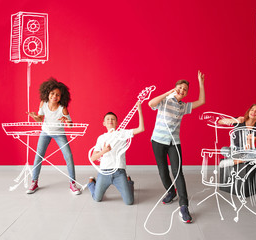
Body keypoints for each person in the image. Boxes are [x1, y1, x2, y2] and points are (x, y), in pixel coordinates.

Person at [148, 70, 205, 223]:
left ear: (186, 94)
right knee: (162, 170)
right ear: (175, 88)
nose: (182, 90)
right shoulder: (164, 100)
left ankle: (184, 206)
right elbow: (150, 104)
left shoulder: (183, 106)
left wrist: (201, 83)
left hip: (174, 142)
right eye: (179, 87)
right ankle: (171, 192)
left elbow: (201, 101)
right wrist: (168, 93)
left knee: (178, 172)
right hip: (158, 141)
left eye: (185, 90)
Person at [26, 78, 81, 195]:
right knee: (38, 156)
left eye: (58, 95)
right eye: (52, 93)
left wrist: (66, 120)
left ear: (61, 97)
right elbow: (40, 119)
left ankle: (73, 183)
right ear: (47, 93)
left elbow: (70, 126)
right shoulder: (43, 103)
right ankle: (34, 182)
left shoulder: (63, 108)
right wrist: (34, 116)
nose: (54, 96)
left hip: (59, 134)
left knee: (69, 156)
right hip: (45, 133)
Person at [88, 102, 144, 205]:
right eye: (108, 119)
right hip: (104, 172)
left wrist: (139, 110)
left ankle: (128, 182)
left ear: (117, 123)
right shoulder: (101, 138)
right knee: (97, 198)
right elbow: (93, 158)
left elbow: (141, 129)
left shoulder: (122, 133)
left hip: (119, 173)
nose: (110, 120)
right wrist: (103, 151)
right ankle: (91, 183)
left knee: (129, 202)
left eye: (113, 119)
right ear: (104, 123)